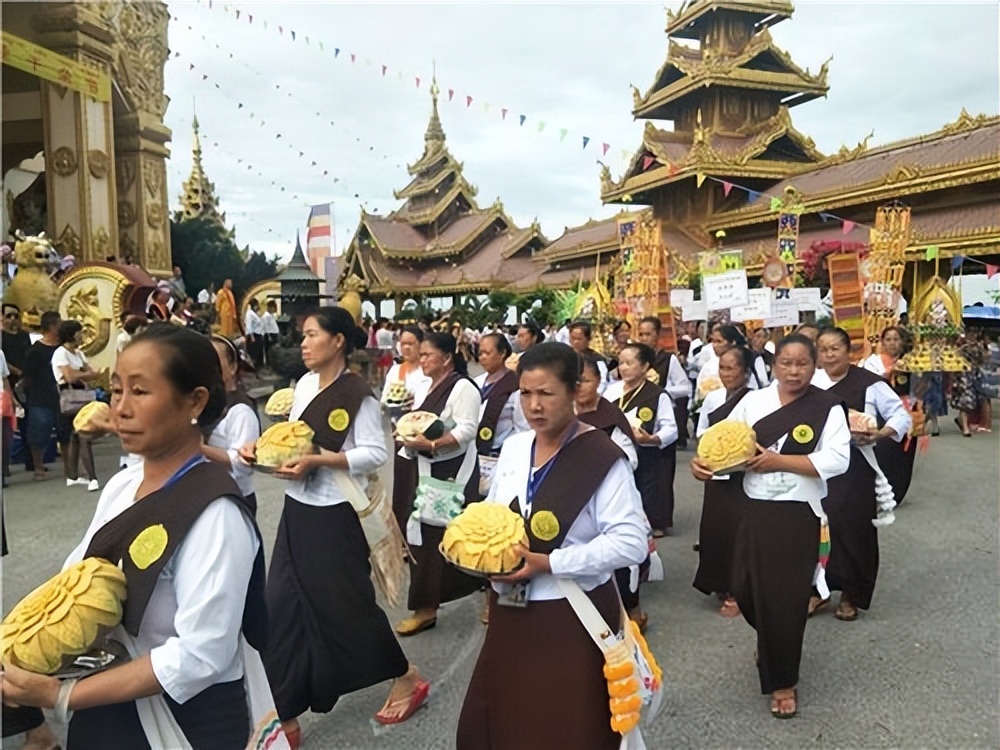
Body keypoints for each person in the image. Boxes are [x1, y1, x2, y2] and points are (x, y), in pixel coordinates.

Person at [0, 324, 276, 749]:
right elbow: (75, 583)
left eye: (141, 392)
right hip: (106, 707)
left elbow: (202, 654)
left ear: (195, 401)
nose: (121, 409)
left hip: (181, 722)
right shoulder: (122, 487)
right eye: (115, 391)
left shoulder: (216, 514)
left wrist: (62, 696)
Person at [239, 307, 427, 743]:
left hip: (336, 510)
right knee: (282, 604)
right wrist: (260, 451)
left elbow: (374, 454)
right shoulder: (303, 385)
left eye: (310, 335)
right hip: (297, 508)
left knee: (345, 606)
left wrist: (321, 460)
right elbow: (294, 439)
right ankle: (286, 712)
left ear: (338, 341)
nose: (302, 344)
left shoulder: (358, 392)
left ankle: (405, 675)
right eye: (301, 336)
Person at [456, 342, 648, 750]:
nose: (534, 406)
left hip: (571, 612)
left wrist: (550, 562)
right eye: (526, 393)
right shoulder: (514, 447)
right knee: (507, 714)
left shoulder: (603, 457)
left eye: (546, 394)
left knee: (568, 723)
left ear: (575, 390)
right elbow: (495, 514)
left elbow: (631, 543)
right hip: (511, 608)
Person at [690, 333, 850, 719]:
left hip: (797, 512)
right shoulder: (753, 402)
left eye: (803, 364)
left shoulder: (827, 407)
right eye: (786, 363)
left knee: (788, 600)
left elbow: (838, 459)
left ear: (814, 367)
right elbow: (723, 444)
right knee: (746, 589)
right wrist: (705, 466)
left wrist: (782, 462)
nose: (794, 371)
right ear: (774, 365)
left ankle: (784, 682)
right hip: (752, 509)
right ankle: (769, 634)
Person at [813, 327, 911, 621]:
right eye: (824, 349)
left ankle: (851, 593)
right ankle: (817, 591)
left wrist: (880, 433)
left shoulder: (869, 384)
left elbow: (900, 414)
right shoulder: (810, 382)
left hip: (856, 465)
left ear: (849, 352)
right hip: (816, 464)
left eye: (835, 349)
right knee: (814, 527)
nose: (829, 355)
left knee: (852, 529)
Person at [396, 332, 483, 636]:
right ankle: (426, 606)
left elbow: (467, 430)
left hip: (450, 473)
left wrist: (432, 445)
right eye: (420, 355)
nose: (421, 360)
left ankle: (477, 591)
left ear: (447, 358)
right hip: (422, 470)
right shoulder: (424, 386)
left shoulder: (463, 388)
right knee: (422, 538)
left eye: (427, 355)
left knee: (444, 538)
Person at [692, 346, 753, 617]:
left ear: (746, 372)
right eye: (723, 368)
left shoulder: (755, 400)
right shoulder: (713, 398)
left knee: (739, 533)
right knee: (715, 530)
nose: (726, 373)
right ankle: (719, 582)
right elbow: (702, 432)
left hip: (743, 477)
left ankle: (739, 590)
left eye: (732, 368)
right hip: (715, 474)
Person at [604, 343, 678, 537]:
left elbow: (671, 428)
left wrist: (653, 438)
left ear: (645, 366)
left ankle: (652, 523)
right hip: (616, 448)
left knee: (648, 488)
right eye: (621, 363)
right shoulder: (611, 391)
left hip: (646, 450)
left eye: (629, 363)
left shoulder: (657, 395)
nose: (624, 368)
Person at [202, 336, 261, 514]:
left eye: (215, 362)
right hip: (207, 495)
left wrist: (197, 448)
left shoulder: (241, 410)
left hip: (234, 498)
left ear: (233, 366)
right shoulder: (202, 402)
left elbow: (243, 463)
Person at [382, 325, 432, 532]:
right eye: (403, 343)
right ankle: (401, 531)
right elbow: (385, 399)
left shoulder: (426, 370)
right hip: (400, 434)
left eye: (411, 344)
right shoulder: (395, 370)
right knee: (402, 482)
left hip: (422, 435)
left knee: (419, 481)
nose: (406, 348)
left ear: (421, 344)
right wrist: (392, 404)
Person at [862, 326, 918, 503]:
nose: (892, 343)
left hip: (908, 410)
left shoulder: (913, 362)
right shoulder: (873, 362)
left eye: (896, 339)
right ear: (882, 342)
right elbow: (869, 386)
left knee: (903, 455)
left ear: (902, 342)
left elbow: (918, 389)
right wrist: (889, 374)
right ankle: (879, 491)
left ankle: (898, 491)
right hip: (881, 413)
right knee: (883, 453)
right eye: (888, 339)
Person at [51, 320, 102, 490]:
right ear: (71, 334)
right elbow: (69, 376)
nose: (81, 336)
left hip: (81, 395)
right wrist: (85, 374)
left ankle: (72, 475)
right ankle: (92, 476)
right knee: (84, 434)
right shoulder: (60, 353)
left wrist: (82, 374)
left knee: (75, 436)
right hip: (69, 396)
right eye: (79, 333)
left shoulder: (79, 353)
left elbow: (91, 373)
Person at [474, 332, 522, 491]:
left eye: (487, 353)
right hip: (475, 454)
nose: (482, 357)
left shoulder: (515, 386)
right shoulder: (477, 382)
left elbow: (521, 427)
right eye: (480, 353)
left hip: (500, 456)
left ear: (502, 354)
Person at [638, 315, 692, 449]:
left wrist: (664, 392)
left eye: (648, 334)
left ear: (657, 335)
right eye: (641, 334)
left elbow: (686, 387)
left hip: (661, 413)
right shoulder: (635, 359)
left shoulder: (668, 360)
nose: (644, 338)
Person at [574, 354, 637, 469]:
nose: (579, 387)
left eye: (585, 381)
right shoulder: (561, 413)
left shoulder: (610, 416)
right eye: (575, 382)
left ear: (598, 381)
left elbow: (630, 460)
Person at [22, 311, 61, 480]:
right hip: (39, 396)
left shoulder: (62, 348)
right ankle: (38, 465)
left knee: (65, 431)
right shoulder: (35, 351)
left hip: (61, 395)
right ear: (52, 326)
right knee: (39, 430)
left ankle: (71, 466)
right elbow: (28, 376)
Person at [2, 302, 34, 475]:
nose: (13, 319)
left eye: (16, 315)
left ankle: (31, 461)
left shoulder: (24, 336)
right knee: (6, 427)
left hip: (25, 384)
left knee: (27, 423)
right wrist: (17, 371)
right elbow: (3, 362)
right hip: (7, 384)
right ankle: (4, 468)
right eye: (9, 316)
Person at [569, 321, 609, 389]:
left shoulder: (597, 359)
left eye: (579, 339)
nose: (575, 342)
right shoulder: (564, 356)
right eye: (573, 338)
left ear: (588, 339)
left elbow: (603, 381)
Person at [243, 298, 264, 368]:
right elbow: (249, 326)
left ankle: (258, 367)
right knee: (253, 353)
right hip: (253, 336)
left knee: (258, 353)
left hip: (258, 335)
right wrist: (252, 337)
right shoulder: (249, 314)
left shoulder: (255, 314)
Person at [261, 300, 280, 366]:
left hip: (273, 334)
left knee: (274, 350)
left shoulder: (271, 316)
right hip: (269, 335)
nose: (275, 309)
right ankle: (269, 364)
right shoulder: (266, 316)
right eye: (274, 307)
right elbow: (265, 327)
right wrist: (269, 336)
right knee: (269, 350)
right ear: (270, 307)